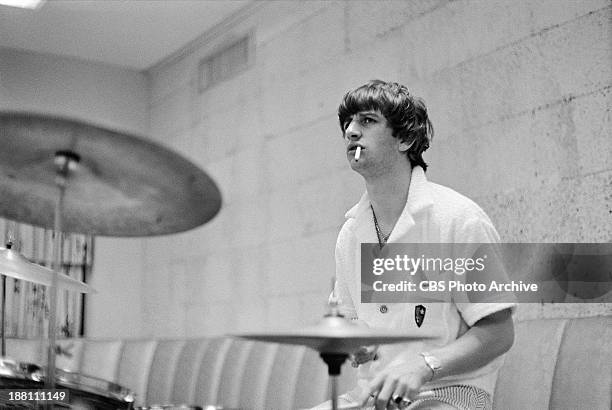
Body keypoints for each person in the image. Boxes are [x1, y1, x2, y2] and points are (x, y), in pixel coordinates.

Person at [316, 80, 515, 410]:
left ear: (405, 138)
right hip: (374, 395)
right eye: (347, 124)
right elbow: (351, 324)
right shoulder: (351, 234)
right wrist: (357, 344)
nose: (351, 131)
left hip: (450, 391)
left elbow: (499, 333)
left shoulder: (459, 218)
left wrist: (423, 366)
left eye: (367, 120)